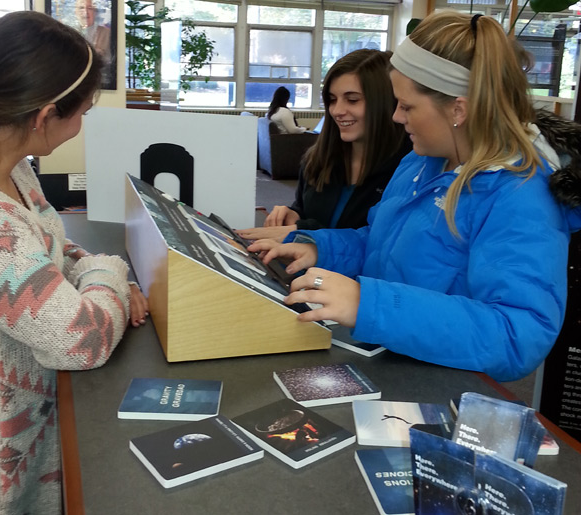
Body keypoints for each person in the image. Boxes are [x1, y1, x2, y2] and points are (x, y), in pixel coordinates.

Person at [249, 11, 581, 382]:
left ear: (458, 109)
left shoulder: (520, 193)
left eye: (406, 106)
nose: (394, 116)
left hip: (441, 386)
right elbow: (379, 244)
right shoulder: (420, 161)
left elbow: (517, 335)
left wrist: (369, 304)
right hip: (389, 361)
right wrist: (320, 249)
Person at [0, 11, 148, 512]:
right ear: (43, 115)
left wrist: (91, 271)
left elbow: (54, 245)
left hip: (31, 421)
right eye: (82, 113)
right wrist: (113, 273)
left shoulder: (13, 166)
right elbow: (85, 338)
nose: (82, 126)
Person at [238, 49, 411, 242]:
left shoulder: (409, 170)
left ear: (385, 102)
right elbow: (305, 210)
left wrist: (305, 230)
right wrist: (293, 215)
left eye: (352, 100)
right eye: (332, 100)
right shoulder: (318, 159)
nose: (337, 111)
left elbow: (375, 245)